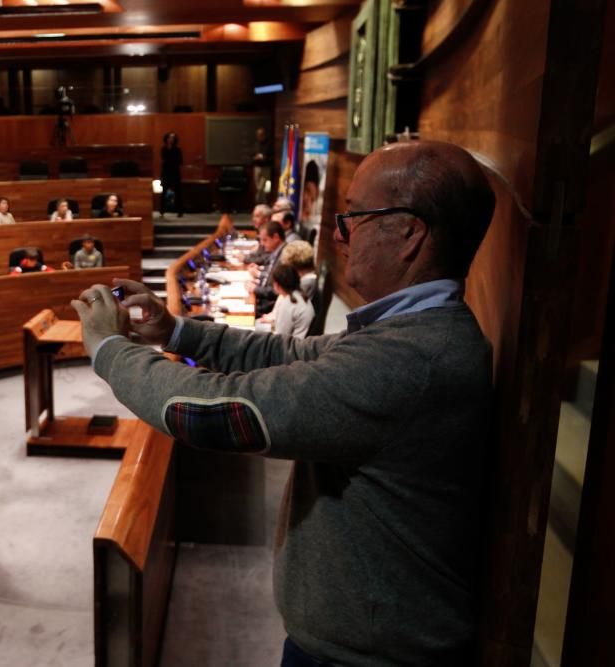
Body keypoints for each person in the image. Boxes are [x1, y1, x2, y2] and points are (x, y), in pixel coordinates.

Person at [70, 140, 497, 667]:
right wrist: (175, 330)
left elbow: (218, 412)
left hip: (364, 657)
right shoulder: (413, 332)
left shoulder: (411, 361)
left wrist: (109, 349)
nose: (339, 234)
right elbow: (284, 350)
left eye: (355, 217)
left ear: (410, 234)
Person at [260, 263, 314, 337]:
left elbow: (281, 337)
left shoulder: (288, 304)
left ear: (277, 285)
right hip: (298, 341)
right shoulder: (298, 294)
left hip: (293, 345)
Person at [249, 220, 285, 317]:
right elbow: (270, 275)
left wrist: (256, 289)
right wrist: (259, 275)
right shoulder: (277, 252)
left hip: (267, 309)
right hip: (263, 302)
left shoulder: (284, 257)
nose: (262, 244)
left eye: (265, 240)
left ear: (276, 237)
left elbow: (278, 290)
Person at [159, 132, 184, 218]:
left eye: (173, 138)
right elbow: (164, 160)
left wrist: (172, 161)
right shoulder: (163, 149)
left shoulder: (177, 149)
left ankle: (180, 211)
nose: (171, 139)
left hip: (175, 173)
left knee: (178, 192)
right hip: (166, 173)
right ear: (166, 139)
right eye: (169, 137)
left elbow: (180, 161)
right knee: (163, 192)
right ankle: (162, 211)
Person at [252, 126, 272, 205]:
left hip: (266, 168)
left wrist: (264, 158)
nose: (258, 136)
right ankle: (260, 203)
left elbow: (272, 157)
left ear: (264, 135)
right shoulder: (256, 144)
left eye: (260, 135)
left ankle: (263, 203)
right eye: (257, 135)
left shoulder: (269, 144)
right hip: (257, 167)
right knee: (258, 187)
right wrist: (255, 157)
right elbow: (251, 155)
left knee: (264, 187)